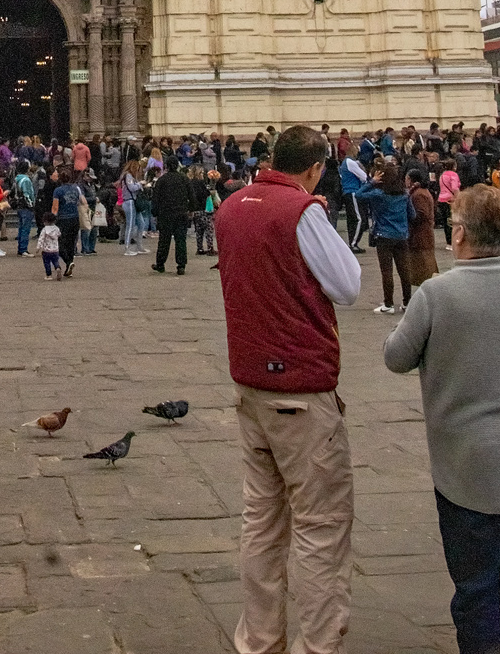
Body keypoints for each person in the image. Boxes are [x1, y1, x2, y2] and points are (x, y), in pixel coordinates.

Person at [214, 124, 361, 654]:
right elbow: (348, 285)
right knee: (321, 527)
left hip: (250, 385)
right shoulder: (302, 211)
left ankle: (259, 640)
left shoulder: (231, 207)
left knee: (261, 521)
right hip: (299, 389)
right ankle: (317, 646)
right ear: (316, 167)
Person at [384, 185, 500, 654]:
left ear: (459, 235)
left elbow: (396, 357)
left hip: (467, 471)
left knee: (476, 593)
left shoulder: (437, 294)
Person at [356, 161, 415, 313]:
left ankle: (388, 304)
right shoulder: (405, 195)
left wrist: (372, 181)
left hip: (384, 235)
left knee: (386, 271)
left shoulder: (379, 195)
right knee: (404, 270)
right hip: (402, 235)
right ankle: (407, 302)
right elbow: (412, 215)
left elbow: (359, 195)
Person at [151, 161, 193, 275]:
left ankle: (160, 264)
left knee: (164, 240)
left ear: (167, 167)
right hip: (181, 213)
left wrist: (154, 212)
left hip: (165, 214)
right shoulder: (184, 179)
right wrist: (191, 209)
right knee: (181, 240)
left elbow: (155, 198)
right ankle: (181, 265)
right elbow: (191, 195)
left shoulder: (162, 180)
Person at [405, 166, 438, 288]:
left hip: (421, 233)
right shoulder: (421, 192)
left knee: (424, 261)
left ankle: (428, 283)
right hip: (422, 232)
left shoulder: (418, 194)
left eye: (406, 178)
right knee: (424, 260)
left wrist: (410, 217)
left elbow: (422, 214)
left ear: (410, 179)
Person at [51, 168, 82, 276]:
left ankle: (68, 262)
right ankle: (70, 265)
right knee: (71, 243)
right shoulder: (76, 189)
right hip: (75, 218)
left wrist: (52, 219)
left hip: (63, 219)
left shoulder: (58, 191)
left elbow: (55, 207)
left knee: (59, 243)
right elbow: (80, 202)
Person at [36, 212, 62, 279]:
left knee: (47, 263)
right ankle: (57, 268)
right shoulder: (56, 228)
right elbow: (59, 234)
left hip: (46, 250)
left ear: (45, 221)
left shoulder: (44, 230)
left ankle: (49, 275)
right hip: (55, 250)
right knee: (55, 261)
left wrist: (38, 247)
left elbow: (41, 239)